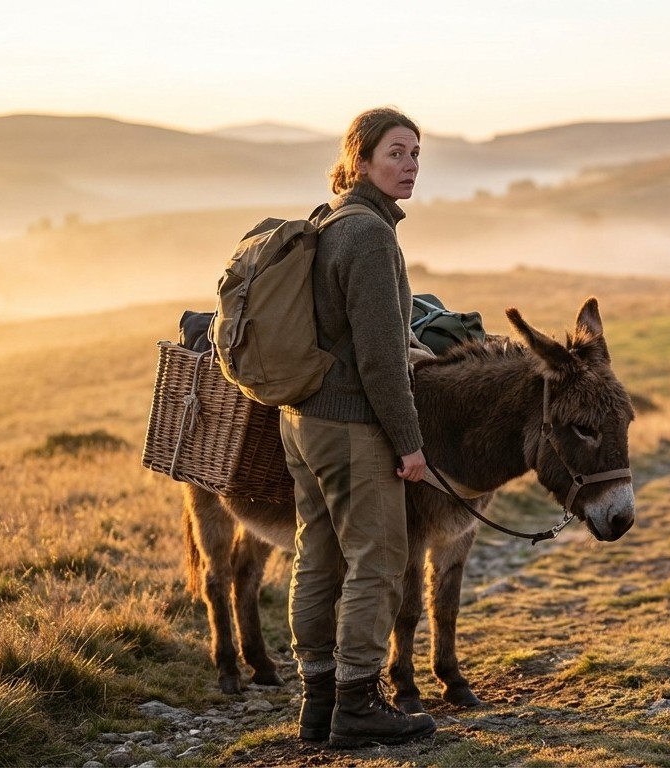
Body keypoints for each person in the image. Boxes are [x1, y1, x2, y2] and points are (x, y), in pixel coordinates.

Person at [278, 107, 436, 748]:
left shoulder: (331, 220)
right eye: (396, 153)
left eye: (416, 154)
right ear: (361, 161)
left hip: (302, 421)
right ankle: (358, 704)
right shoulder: (370, 235)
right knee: (380, 559)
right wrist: (410, 443)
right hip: (349, 425)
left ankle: (318, 703)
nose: (410, 165)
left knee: (317, 556)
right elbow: (378, 359)